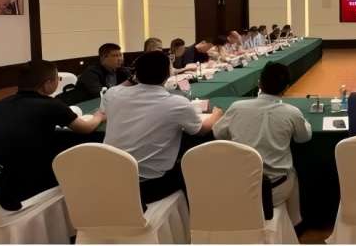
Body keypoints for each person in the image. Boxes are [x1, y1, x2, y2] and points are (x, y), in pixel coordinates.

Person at [102, 51, 223, 205]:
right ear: (168, 74)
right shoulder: (176, 103)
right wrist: (216, 115)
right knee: (196, 165)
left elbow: (120, 88)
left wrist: (134, 77)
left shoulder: (113, 94)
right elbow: (201, 130)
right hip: (148, 186)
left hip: (109, 178)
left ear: (135, 74)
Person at [0, 60, 105, 210]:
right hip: (24, 189)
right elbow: (85, 128)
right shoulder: (51, 105)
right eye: (57, 78)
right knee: (89, 144)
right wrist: (99, 115)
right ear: (47, 84)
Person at [213, 62, 312, 205]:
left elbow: (218, 133)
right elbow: (303, 138)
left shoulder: (237, 107)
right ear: (286, 88)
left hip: (240, 187)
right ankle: (293, 219)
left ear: (259, 83)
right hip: (276, 189)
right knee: (292, 174)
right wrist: (304, 122)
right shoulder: (292, 112)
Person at [62, 43, 129, 103]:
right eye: (115, 56)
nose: (120, 59)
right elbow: (100, 94)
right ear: (103, 58)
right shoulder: (91, 73)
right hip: (83, 104)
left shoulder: (121, 71)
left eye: (120, 55)